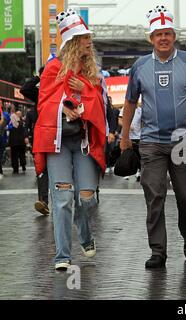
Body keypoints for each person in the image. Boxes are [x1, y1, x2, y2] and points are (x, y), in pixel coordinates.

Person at [120, 5, 186, 269]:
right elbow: (129, 103)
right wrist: (125, 137)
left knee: (185, 196)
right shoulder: (139, 66)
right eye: (158, 34)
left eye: (168, 33)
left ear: (174, 36)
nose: (163, 38)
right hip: (150, 142)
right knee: (154, 194)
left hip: (184, 140)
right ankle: (158, 251)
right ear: (151, 38)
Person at [33, 8, 107, 270]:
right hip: (58, 142)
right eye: (84, 37)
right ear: (73, 41)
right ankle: (62, 255)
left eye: (88, 36)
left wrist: (84, 90)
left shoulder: (91, 72)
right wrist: (62, 108)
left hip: (84, 141)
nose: (89, 41)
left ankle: (85, 234)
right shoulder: (53, 68)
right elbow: (43, 103)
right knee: (63, 198)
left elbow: (99, 106)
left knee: (87, 198)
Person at [20, 67, 50, 215]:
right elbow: (25, 89)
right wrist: (39, 77)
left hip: (61, 138)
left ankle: (70, 200)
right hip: (43, 137)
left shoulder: (62, 91)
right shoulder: (40, 94)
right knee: (42, 169)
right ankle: (43, 202)